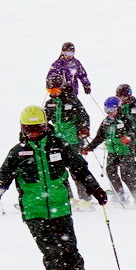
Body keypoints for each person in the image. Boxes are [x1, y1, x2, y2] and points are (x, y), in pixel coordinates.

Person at [0, 105, 109, 270]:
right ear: (22, 128)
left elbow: (80, 169)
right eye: (30, 130)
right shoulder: (18, 152)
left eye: (38, 128)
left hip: (60, 208)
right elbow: (2, 180)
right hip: (34, 211)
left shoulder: (59, 145)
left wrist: (95, 189)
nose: (34, 133)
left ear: (46, 125)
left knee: (71, 252)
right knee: (52, 253)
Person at [87, 97, 136, 208]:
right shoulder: (106, 122)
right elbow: (100, 136)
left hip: (126, 151)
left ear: (118, 108)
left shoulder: (126, 119)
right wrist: (89, 147)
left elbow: (134, 131)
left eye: (112, 110)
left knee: (127, 174)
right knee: (110, 171)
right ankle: (119, 195)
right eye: (107, 110)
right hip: (112, 152)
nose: (109, 113)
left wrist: (129, 137)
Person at [43, 75, 93, 210]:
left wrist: (84, 129)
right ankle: (67, 197)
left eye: (55, 90)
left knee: (77, 169)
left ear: (62, 87)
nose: (53, 94)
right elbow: (44, 120)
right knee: (58, 170)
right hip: (57, 141)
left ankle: (86, 199)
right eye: (50, 92)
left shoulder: (72, 100)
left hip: (73, 140)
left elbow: (84, 116)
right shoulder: (50, 104)